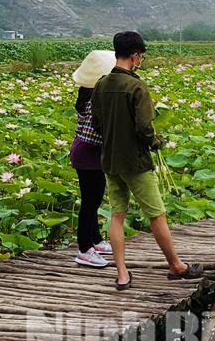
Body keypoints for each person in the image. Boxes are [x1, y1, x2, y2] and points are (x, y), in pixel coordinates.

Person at [91, 31, 203, 290]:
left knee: (116, 215)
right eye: (140, 55)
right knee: (156, 214)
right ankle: (176, 266)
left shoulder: (101, 84)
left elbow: (96, 123)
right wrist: (155, 141)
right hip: (135, 162)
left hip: (109, 161)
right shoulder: (136, 86)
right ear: (134, 55)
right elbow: (144, 128)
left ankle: (122, 274)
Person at [70, 50, 117, 268]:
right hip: (88, 154)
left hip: (86, 153)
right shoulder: (94, 101)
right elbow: (94, 135)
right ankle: (84, 248)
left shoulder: (86, 94)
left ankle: (96, 240)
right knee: (90, 202)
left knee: (94, 198)